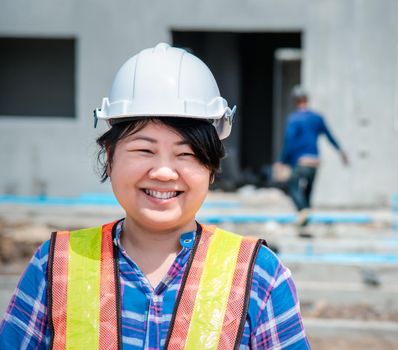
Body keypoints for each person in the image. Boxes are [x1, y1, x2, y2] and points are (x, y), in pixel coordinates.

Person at [0, 43, 310, 350]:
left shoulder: (258, 275)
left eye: (186, 153)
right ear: (110, 156)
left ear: (212, 167)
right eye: (144, 150)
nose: (164, 172)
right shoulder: (56, 265)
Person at [278, 86, 348, 224]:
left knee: (292, 186)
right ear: (306, 100)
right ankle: (306, 221)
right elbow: (330, 136)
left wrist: (282, 160)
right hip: (315, 162)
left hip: (301, 161)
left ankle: (303, 211)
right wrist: (341, 151)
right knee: (307, 192)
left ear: (295, 101)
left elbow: (289, 141)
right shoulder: (317, 118)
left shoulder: (294, 119)